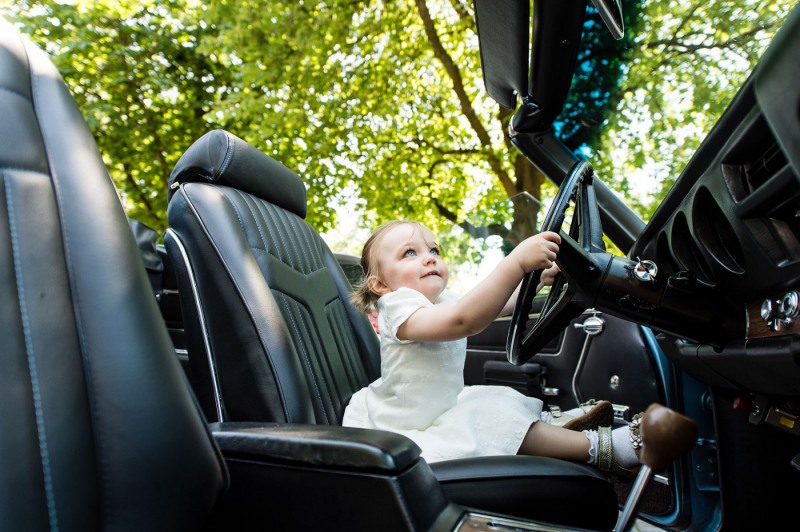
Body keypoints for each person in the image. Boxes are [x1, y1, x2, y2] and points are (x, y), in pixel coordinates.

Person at [342, 220, 643, 477]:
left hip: (438, 408)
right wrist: (514, 263)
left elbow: (496, 306)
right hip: (408, 427)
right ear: (380, 285)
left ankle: (558, 427)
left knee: (497, 397)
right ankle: (603, 449)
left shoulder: (438, 301)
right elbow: (465, 320)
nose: (430, 258)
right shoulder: (397, 307)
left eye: (433, 250)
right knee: (490, 417)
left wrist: (534, 282)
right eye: (410, 253)